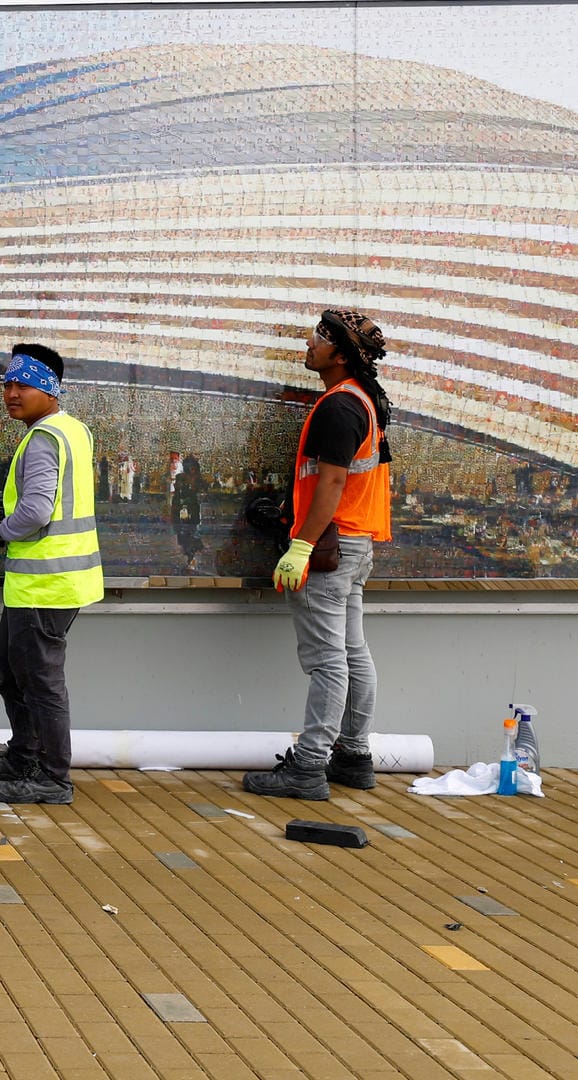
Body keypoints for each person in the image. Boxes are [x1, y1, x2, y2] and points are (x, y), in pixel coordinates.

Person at [245, 310, 394, 800]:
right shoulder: (365, 402)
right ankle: (353, 755)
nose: (310, 343)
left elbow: (331, 482)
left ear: (342, 354)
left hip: (329, 548)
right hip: (354, 545)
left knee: (328, 660)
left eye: (322, 337)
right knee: (353, 653)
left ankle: (308, 766)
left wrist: (302, 545)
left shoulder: (339, 406)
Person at [0, 344, 104, 805]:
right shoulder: (71, 430)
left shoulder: (45, 438)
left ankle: (52, 777)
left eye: (22, 384)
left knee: (40, 682)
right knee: (10, 671)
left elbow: (37, 511)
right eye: (6, 384)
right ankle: (25, 755)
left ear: (49, 388)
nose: (10, 393)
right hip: (50, 582)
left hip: (45, 584)